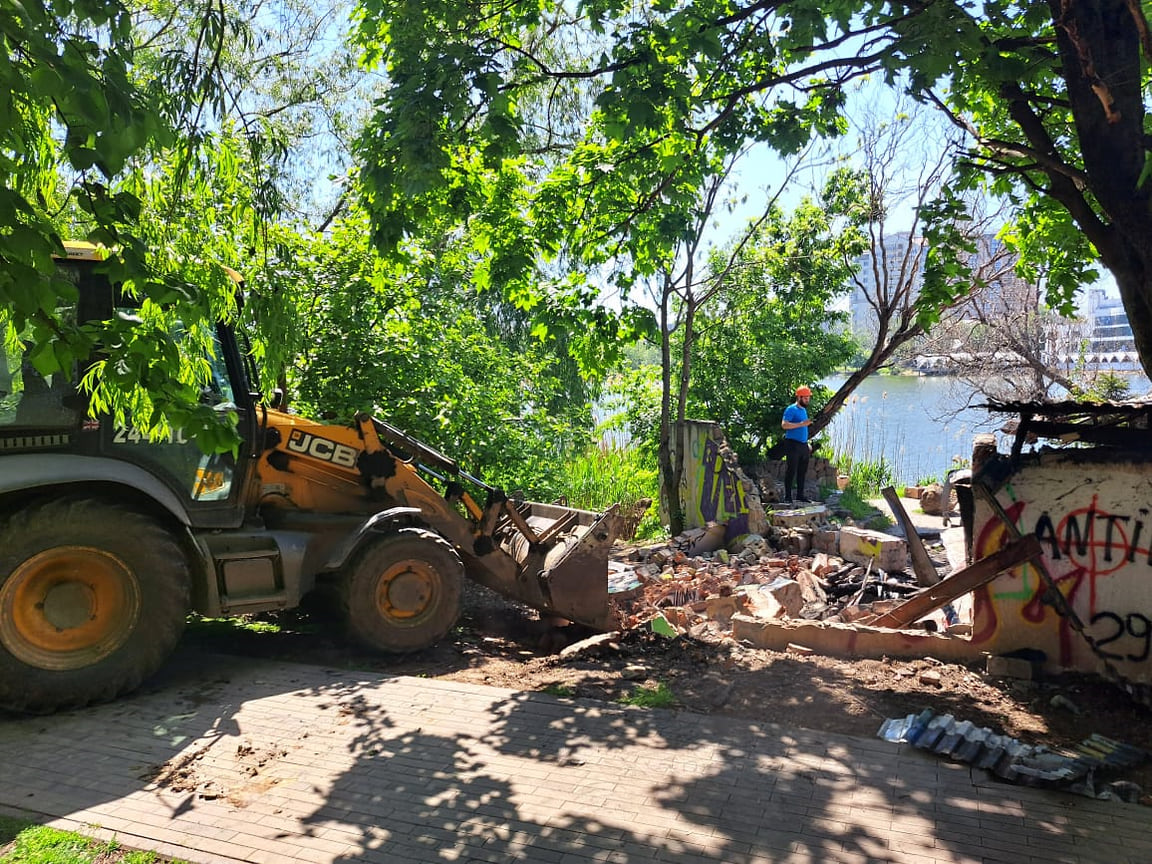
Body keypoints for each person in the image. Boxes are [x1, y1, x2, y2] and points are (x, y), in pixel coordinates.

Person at [781, 385, 813, 504]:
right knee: (791, 470)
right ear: (799, 397)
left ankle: (800, 495)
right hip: (792, 444)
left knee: (802, 471)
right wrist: (801, 424)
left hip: (803, 445)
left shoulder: (804, 410)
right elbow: (784, 425)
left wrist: (806, 443)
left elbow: (803, 428)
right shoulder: (791, 409)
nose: (807, 400)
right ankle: (788, 496)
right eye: (805, 398)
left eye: (808, 398)